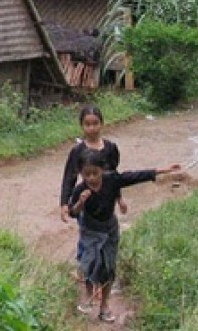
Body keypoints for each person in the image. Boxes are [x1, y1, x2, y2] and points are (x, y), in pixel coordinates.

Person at [68, 149, 181, 323]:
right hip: (90, 231)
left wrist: (163, 170)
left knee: (108, 267)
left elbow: (134, 176)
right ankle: (89, 297)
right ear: (81, 174)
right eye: (86, 175)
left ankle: (104, 306)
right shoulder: (79, 190)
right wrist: (80, 203)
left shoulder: (112, 179)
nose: (91, 178)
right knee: (89, 264)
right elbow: (73, 213)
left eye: (95, 173)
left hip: (110, 230)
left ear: (102, 170)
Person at [59, 106, 127, 274]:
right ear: (81, 126)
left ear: (102, 124)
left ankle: (103, 266)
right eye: (87, 124)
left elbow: (114, 177)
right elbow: (69, 177)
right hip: (87, 199)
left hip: (105, 199)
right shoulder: (78, 151)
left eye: (95, 123)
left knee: (106, 232)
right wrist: (64, 204)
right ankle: (85, 267)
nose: (91, 128)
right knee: (86, 234)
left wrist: (119, 198)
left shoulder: (110, 148)